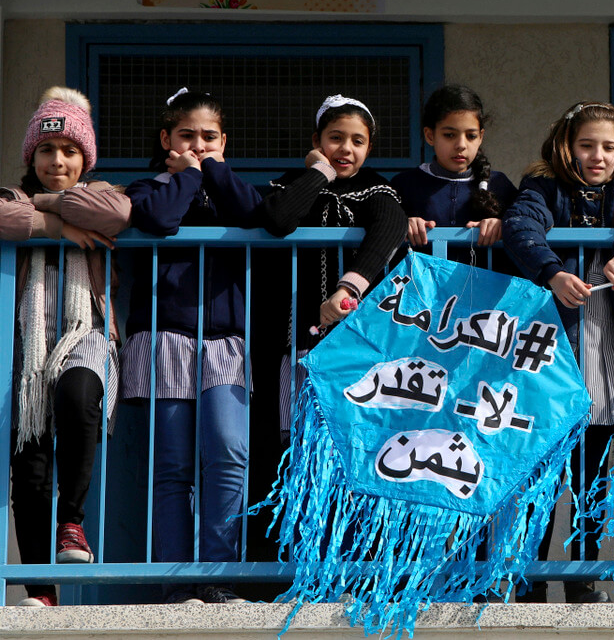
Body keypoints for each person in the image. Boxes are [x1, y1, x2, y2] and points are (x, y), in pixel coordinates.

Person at [503, 101, 614, 602]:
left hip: (607, 355)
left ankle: (581, 577)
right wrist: (552, 271)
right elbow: (519, 227)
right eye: (587, 145)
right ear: (566, 146)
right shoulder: (542, 189)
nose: (598, 156)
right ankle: (527, 580)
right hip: (550, 356)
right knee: (539, 474)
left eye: (608, 147)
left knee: (592, 476)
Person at [121, 88, 262, 605]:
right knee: (173, 466)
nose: (198, 144)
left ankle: (220, 575)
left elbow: (260, 216)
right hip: (164, 336)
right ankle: (178, 584)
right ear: (166, 139)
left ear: (224, 141)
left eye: (209, 137)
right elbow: (158, 219)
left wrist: (214, 173)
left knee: (229, 451)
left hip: (224, 339)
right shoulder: (149, 185)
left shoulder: (229, 185)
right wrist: (188, 175)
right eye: (187, 135)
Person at [1, 87, 130, 608]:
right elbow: (4, 216)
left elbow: (117, 214)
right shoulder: (13, 196)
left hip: (85, 337)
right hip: (26, 352)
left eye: (70, 151)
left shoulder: (100, 193)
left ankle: (71, 522)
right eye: (48, 151)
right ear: (31, 156)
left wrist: (55, 205)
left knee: (80, 398)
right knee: (30, 467)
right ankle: (41, 591)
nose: (58, 160)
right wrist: (54, 226)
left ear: (86, 158)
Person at [258, 95, 406, 437]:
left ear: (369, 148)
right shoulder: (294, 181)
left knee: (348, 438)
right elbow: (278, 219)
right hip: (294, 340)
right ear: (317, 141)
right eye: (336, 138)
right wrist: (320, 171)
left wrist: (348, 289)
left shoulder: (375, 188)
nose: (346, 149)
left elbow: (390, 226)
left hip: (355, 341)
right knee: (295, 439)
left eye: (358, 141)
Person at [391, 84, 516, 265]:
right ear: (430, 135)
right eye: (449, 135)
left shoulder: (499, 184)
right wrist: (401, 224)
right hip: (423, 292)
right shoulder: (405, 184)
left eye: (471, 136)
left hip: (482, 291)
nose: (461, 145)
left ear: (481, 136)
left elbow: (526, 223)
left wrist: (504, 224)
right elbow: (379, 226)